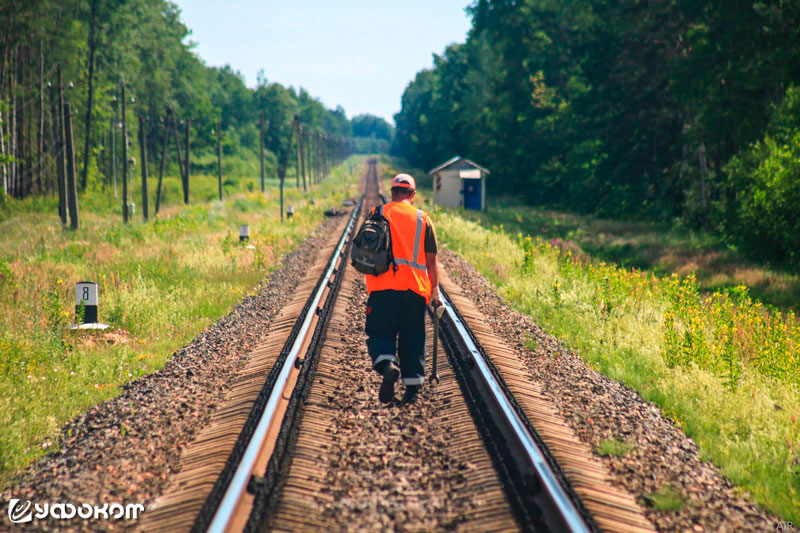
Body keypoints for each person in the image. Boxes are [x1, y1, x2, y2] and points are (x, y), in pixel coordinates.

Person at [364, 173, 441, 405]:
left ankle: (388, 364)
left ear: (392, 192)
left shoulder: (377, 213)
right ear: (413, 194)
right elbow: (432, 261)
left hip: (381, 288)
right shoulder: (423, 219)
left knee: (380, 333)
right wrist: (435, 291)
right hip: (415, 290)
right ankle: (411, 391)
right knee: (413, 339)